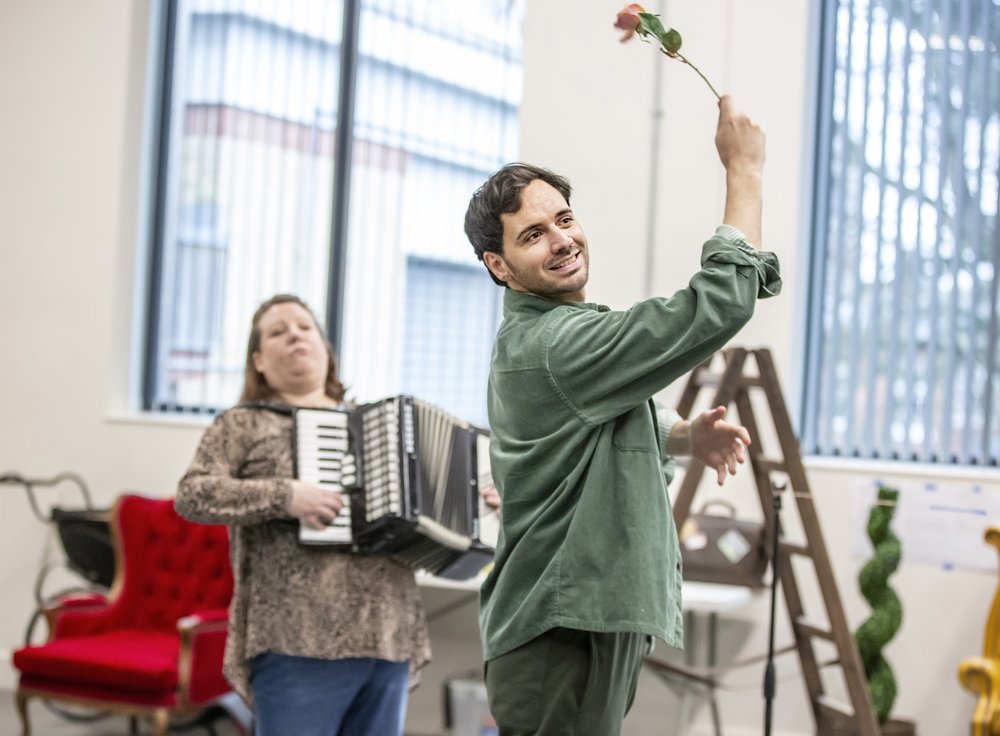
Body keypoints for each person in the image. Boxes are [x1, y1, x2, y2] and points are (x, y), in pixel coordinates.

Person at [462, 95, 781, 736]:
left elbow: (596, 428)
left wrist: (688, 435)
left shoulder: (554, 339)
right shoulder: (553, 345)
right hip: (560, 633)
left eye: (564, 219)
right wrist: (743, 173)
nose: (562, 240)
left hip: (584, 621)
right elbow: (716, 305)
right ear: (499, 266)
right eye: (533, 235)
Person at [175, 293, 431, 736]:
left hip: (387, 632)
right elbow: (192, 495)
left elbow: (421, 509)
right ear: (258, 359)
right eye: (278, 331)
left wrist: (472, 505)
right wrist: (285, 496)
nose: (294, 334)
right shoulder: (241, 424)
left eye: (304, 326)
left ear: (325, 348)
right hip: (298, 640)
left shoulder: (376, 426)